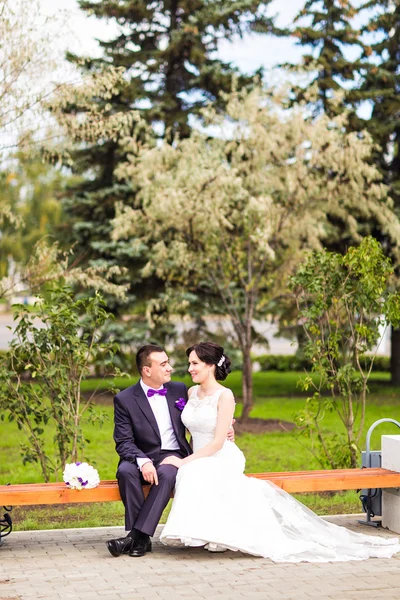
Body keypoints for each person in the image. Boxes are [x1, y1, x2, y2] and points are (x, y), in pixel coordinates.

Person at [159, 341, 400, 562]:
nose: (189, 368)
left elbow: (219, 441)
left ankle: (217, 534)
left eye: (194, 363)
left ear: (210, 366)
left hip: (220, 454)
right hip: (201, 453)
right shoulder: (191, 393)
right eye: (190, 363)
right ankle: (204, 532)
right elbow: (194, 429)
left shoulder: (225, 395)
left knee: (192, 472)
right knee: (193, 472)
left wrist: (185, 461)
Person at [106, 343, 233, 558]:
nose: (170, 368)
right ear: (147, 370)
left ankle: (135, 538)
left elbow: (209, 411)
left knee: (166, 473)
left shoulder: (180, 390)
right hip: (139, 453)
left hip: (172, 454)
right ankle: (141, 538)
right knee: (126, 472)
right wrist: (142, 461)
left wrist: (229, 426)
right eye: (163, 364)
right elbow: (123, 441)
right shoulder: (125, 399)